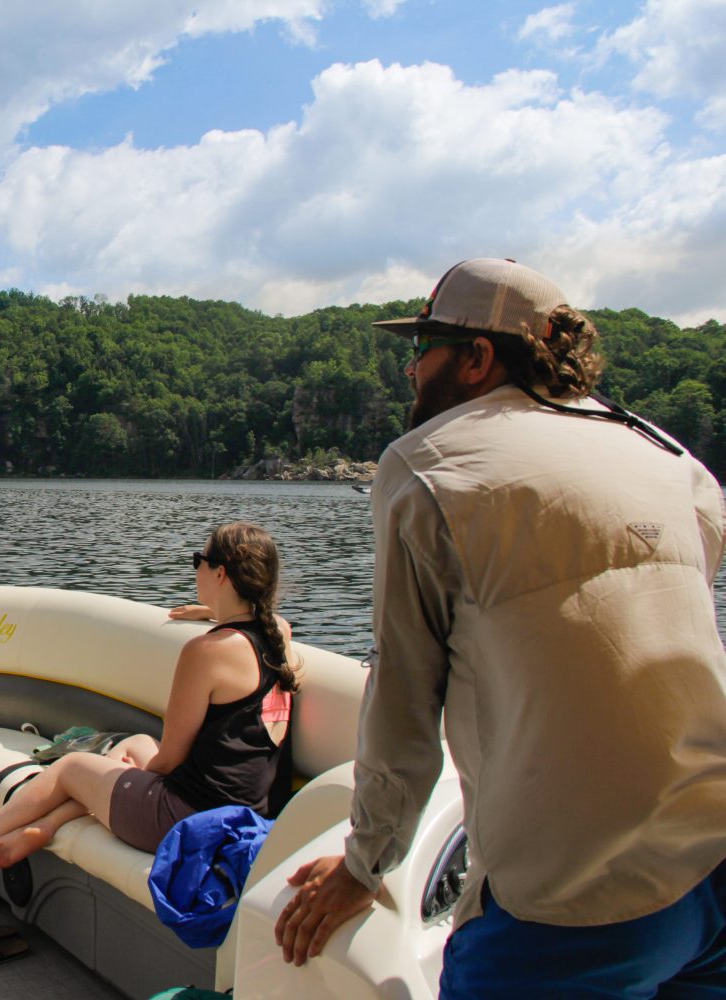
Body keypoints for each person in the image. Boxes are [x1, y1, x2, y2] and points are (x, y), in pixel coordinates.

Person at [272, 259, 726, 996]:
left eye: (423, 348)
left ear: (478, 356)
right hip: (711, 871)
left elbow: (404, 708)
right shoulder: (671, 457)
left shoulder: (427, 469)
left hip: (573, 902)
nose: (412, 371)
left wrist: (363, 868)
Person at [0, 522, 298, 904]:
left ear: (220, 573)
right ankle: (47, 826)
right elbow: (265, 623)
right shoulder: (276, 635)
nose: (194, 568)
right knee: (136, 742)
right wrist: (212, 611)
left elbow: (169, 760)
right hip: (246, 814)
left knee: (71, 767)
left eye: (199, 559)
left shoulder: (206, 653)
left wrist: (124, 774)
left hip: (190, 819)